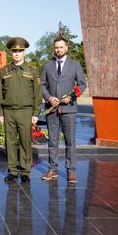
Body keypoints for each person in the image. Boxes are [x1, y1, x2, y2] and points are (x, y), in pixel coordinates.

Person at [40, 35, 86, 184]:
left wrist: (71, 97)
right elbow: (42, 85)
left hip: (68, 109)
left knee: (70, 141)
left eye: (61, 47)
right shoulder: (47, 65)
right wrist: (48, 98)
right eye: (56, 47)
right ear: (54, 49)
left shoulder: (75, 64)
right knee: (52, 141)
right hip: (52, 110)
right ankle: (52, 169)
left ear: (66, 48)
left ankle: (71, 171)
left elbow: (82, 84)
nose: (58, 50)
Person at [0, 37, 42, 183]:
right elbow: (0, 94)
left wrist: (35, 114)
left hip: (25, 112)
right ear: (11, 53)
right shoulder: (5, 71)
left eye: (20, 51)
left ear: (24, 52)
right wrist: (1, 113)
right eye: (14, 51)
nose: (17, 54)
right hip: (9, 111)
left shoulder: (32, 71)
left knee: (25, 142)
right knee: (10, 142)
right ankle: (12, 171)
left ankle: (25, 171)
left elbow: (37, 94)